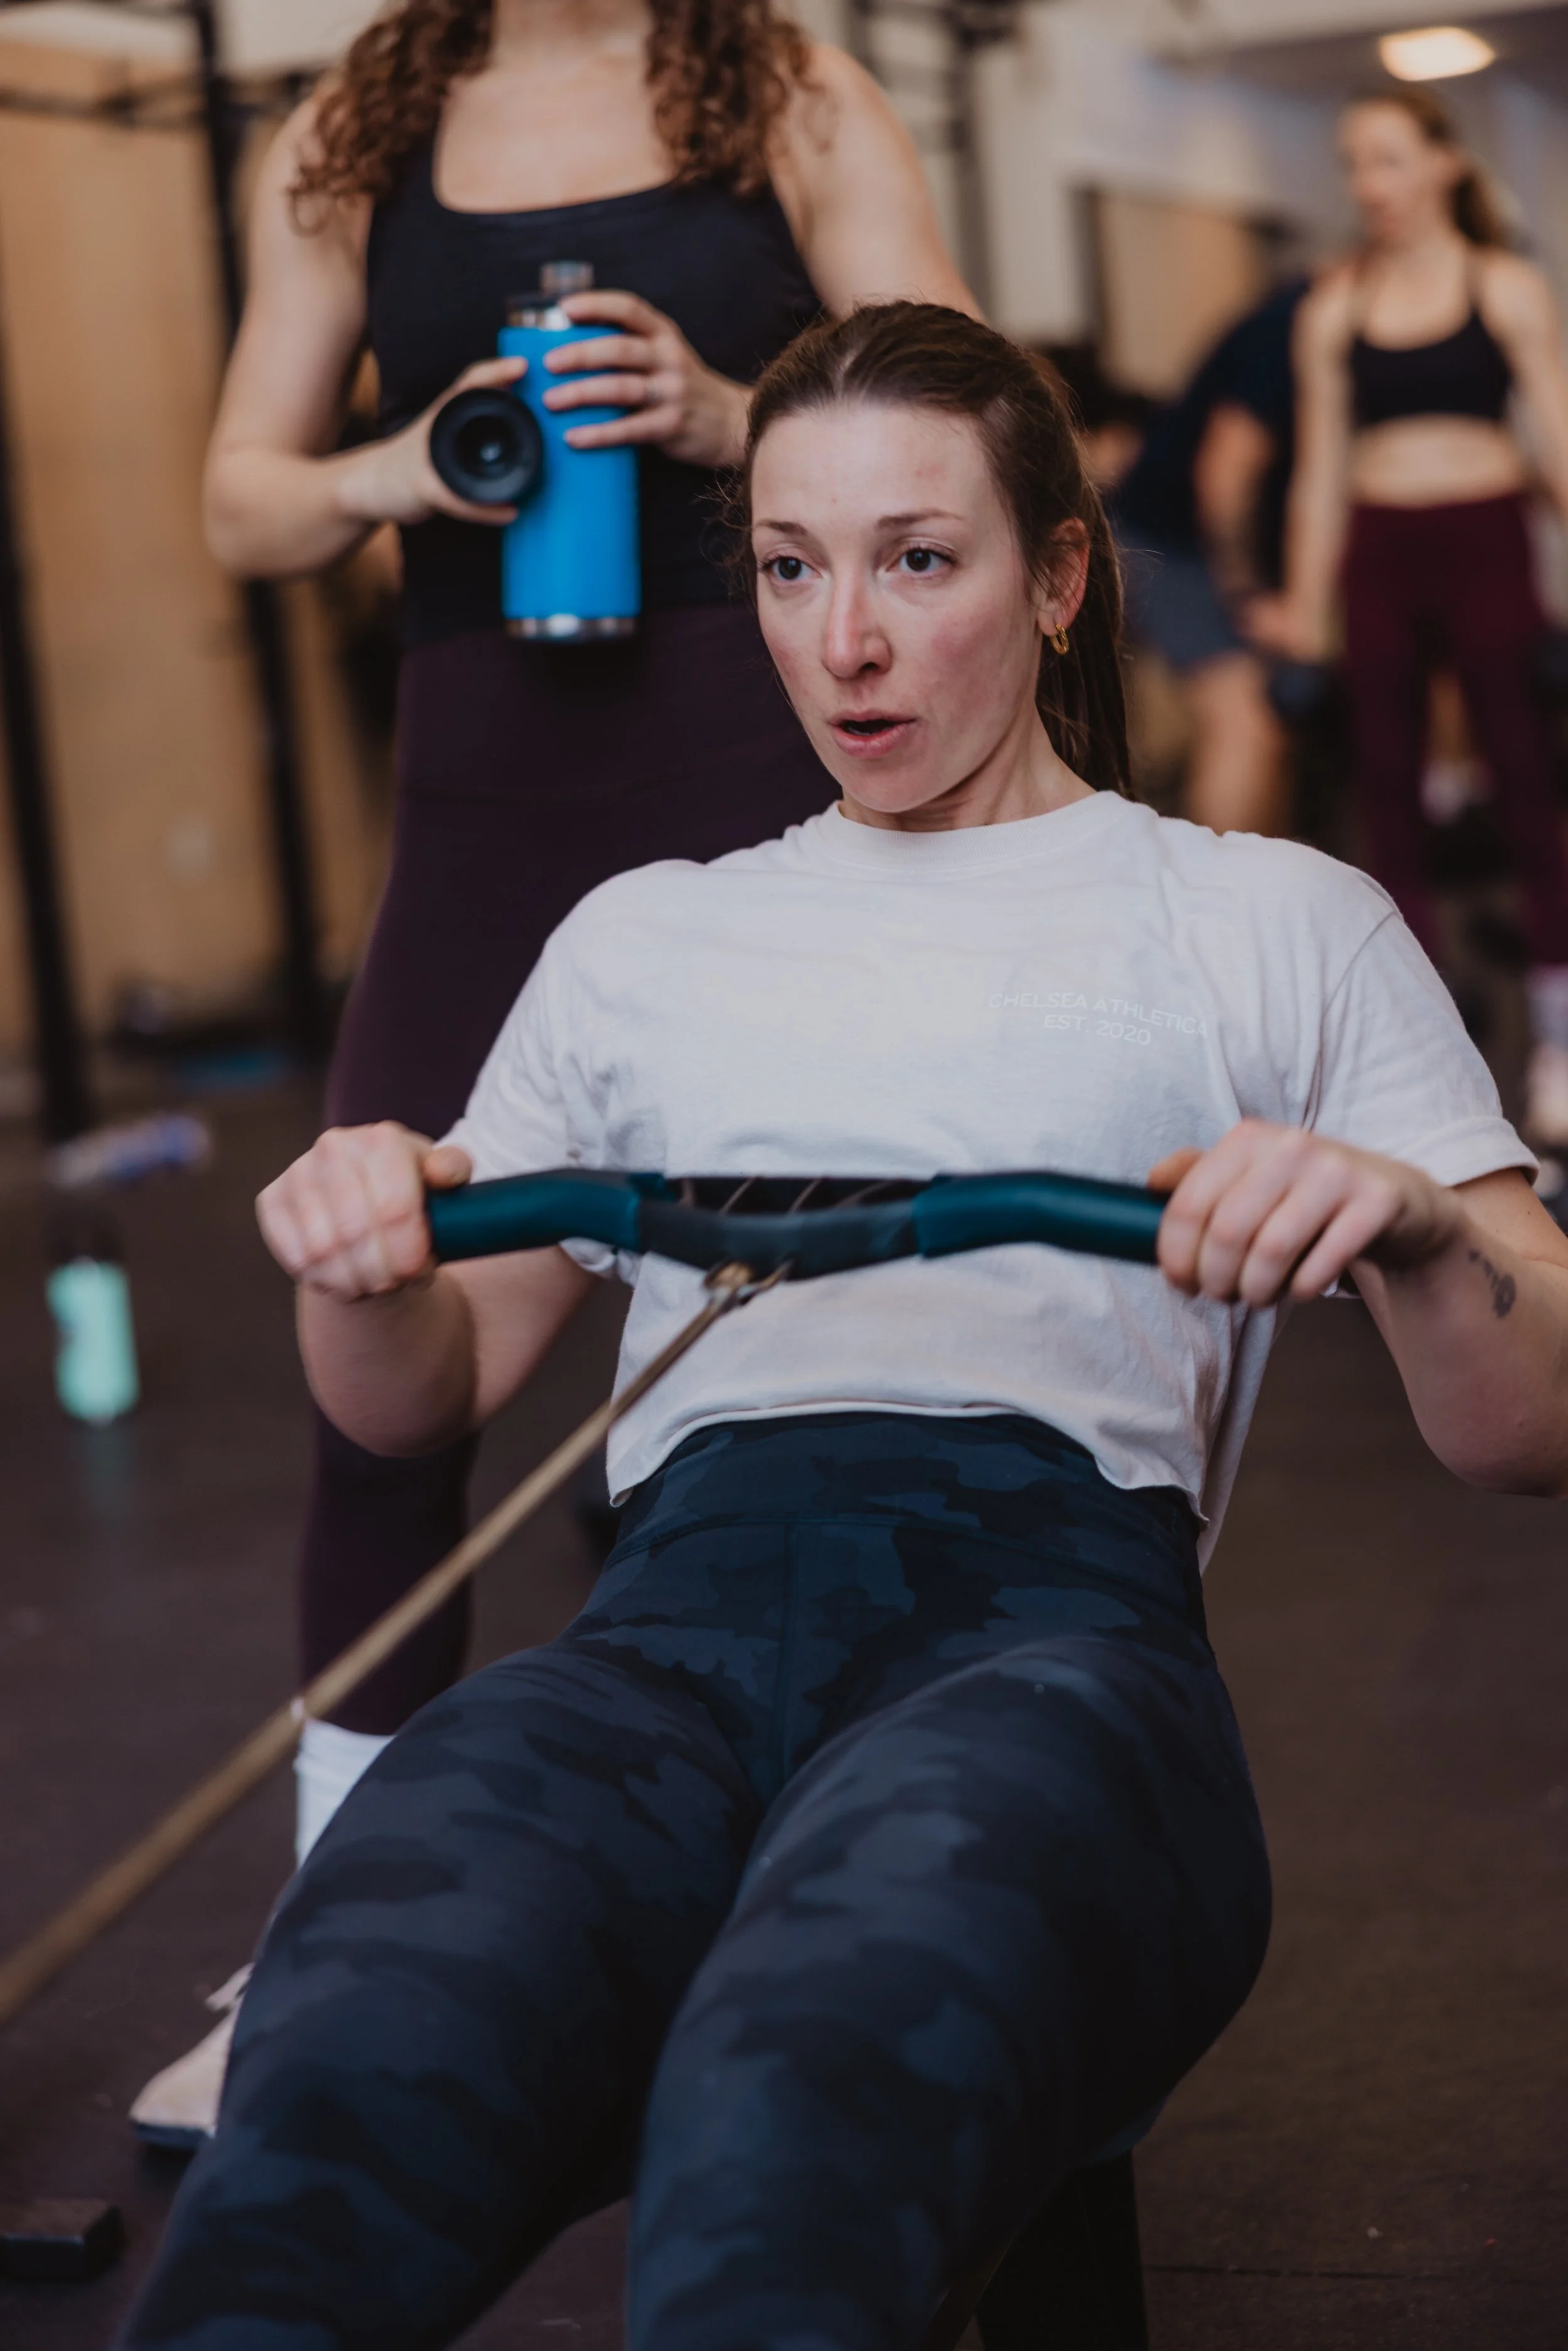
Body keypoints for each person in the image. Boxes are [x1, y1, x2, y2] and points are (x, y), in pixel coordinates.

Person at [120, 303, 1568, 2351]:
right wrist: (359, 1263)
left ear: (1059, 577)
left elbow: (1536, 1415)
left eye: (918, 558)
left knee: (809, 2090)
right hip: (663, 1640)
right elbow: (425, 1389)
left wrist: (1417, 1228)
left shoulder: (1265, 914)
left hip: (1049, 1642)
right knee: (353, 2033)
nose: (844, 642)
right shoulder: (648, 935)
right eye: (792, 568)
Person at [132, 0, 973, 2138]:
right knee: (376, 1287)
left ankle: (752, 1892)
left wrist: (727, 413)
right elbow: (242, 495)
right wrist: (398, 467)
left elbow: (972, 407)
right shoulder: (353, 119)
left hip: (738, 750)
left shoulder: (779, 80)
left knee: (758, 1349)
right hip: (483, 776)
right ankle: (338, 1915)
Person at [1284, 85, 1568, 1142]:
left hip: (1487, 534)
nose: (1371, 185)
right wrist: (1309, 606)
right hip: (1383, 549)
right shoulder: (1334, 307)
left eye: (1392, 160)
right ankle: (1415, 1057)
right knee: (1386, 798)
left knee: (1528, 780)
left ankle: (1558, 1039)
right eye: (1357, 164)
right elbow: (1319, 469)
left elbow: (1556, 428)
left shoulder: (1505, 286)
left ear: (1446, 166)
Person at [1110, 275, 1310, 834]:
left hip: (1223, 552)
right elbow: (1226, 472)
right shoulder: (1293, 322)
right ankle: (1223, 914)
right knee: (1245, 720)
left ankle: (1267, 889)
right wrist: (1248, 597)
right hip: (1163, 539)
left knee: (1278, 722)